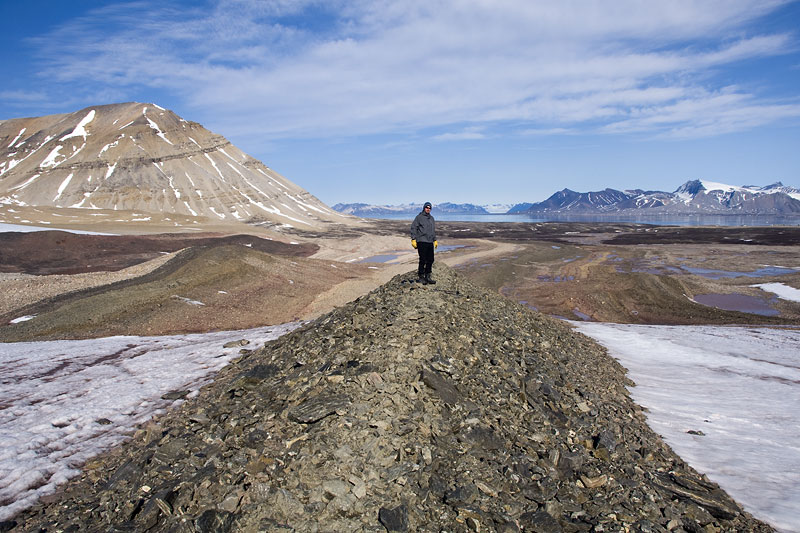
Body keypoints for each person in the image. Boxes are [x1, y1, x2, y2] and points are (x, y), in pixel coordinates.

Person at [410, 201, 438, 284]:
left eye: (429, 208)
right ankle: (421, 276)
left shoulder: (432, 218)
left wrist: (435, 240)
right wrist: (413, 239)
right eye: (427, 207)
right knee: (423, 259)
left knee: (431, 259)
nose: (428, 209)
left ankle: (428, 276)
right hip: (421, 241)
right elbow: (413, 228)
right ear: (424, 208)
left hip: (429, 242)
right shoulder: (419, 217)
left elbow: (432, 231)